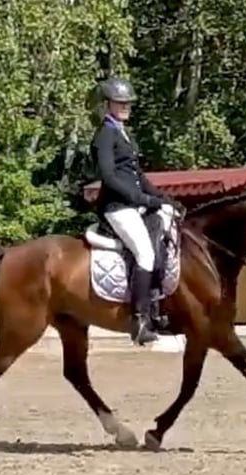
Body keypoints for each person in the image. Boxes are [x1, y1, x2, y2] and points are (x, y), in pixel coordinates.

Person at [90, 77, 182, 346]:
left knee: (163, 237)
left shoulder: (123, 132)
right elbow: (109, 177)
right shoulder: (105, 135)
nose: (126, 106)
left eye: (128, 102)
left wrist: (162, 198)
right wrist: (142, 199)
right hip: (117, 207)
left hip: (134, 204)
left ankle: (158, 307)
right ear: (107, 105)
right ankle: (140, 321)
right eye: (120, 103)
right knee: (145, 252)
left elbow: (138, 175)